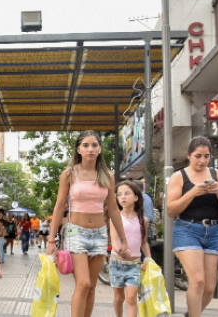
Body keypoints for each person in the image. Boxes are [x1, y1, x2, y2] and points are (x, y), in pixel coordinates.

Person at [46, 130, 130, 317]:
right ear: (78, 149)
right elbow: (60, 206)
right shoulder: (69, 174)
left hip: (99, 233)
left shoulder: (107, 175)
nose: (90, 149)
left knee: (91, 286)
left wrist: (123, 239)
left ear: (100, 149)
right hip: (76, 233)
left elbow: (114, 209)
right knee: (83, 283)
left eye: (94, 145)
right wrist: (51, 240)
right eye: (85, 145)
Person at [166, 136, 218, 317]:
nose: (202, 161)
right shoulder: (179, 177)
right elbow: (171, 210)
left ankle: (191, 314)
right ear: (188, 155)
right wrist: (193, 192)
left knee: (210, 288)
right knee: (198, 281)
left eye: (206, 156)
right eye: (198, 156)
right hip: (187, 230)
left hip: (214, 232)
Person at [109, 181, 152, 317]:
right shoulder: (115, 218)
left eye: (127, 193)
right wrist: (120, 250)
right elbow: (114, 240)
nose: (123, 197)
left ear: (136, 197)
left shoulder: (143, 220)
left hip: (134, 264)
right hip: (116, 263)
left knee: (131, 298)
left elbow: (143, 242)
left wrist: (149, 259)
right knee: (118, 299)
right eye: (119, 194)